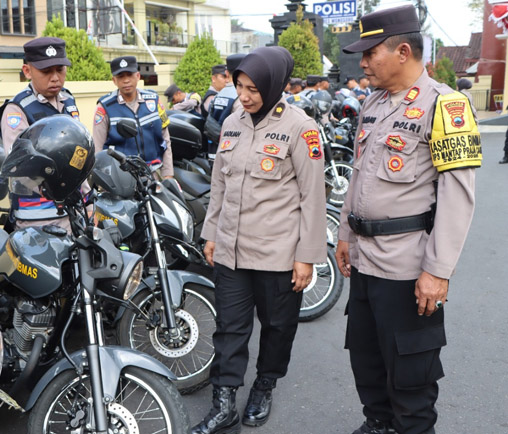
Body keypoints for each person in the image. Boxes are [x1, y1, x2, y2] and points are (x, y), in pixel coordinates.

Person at [337, 5, 482, 434]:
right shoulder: (373, 103)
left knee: (411, 382)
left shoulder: (445, 106)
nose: (363, 63)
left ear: (403, 51)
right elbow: (358, 175)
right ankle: (378, 425)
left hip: (405, 267)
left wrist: (437, 272)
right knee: (366, 361)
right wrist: (345, 233)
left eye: (370, 53)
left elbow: (458, 198)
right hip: (365, 262)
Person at [190, 47, 326, 434]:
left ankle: (264, 385)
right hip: (231, 250)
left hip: (278, 254)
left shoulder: (302, 128)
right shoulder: (233, 122)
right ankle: (223, 403)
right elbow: (220, 184)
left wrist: (307, 257)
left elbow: (312, 196)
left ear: (274, 85)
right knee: (229, 328)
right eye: (239, 87)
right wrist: (211, 234)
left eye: (253, 88)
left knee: (278, 327)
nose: (245, 96)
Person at [0, 37, 83, 229]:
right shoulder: (17, 110)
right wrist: (56, 189)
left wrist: (88, 197)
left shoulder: (68, 101)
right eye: (45, 71)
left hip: (73, 212)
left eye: (60, 69)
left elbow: (79, 155)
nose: (55, 77)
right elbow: (18, 167)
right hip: (37, 217)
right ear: (27, 71)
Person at [93, 56, 174, 178]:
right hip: (121, 178)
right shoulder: (104, 107)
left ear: (138, 76)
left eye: (129, 75)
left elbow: (165, 140)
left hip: (152, 174)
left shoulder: (153, 100)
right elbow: (98, 149)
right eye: (121, 76)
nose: (126, 80)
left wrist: (168, 174)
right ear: (114, 80)